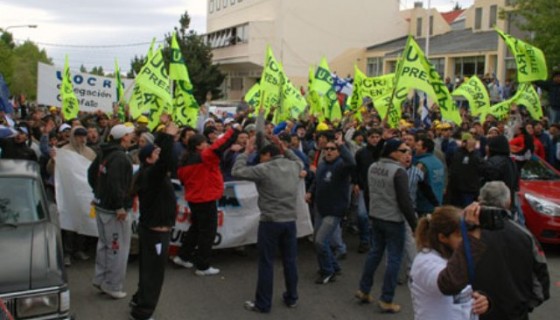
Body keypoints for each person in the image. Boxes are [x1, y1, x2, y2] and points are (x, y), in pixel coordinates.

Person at [438, 182, 550, 320]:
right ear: (508, 203)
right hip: (515, 312)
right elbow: (540, 278)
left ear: (479, 200)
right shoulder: (525, 235)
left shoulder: (465, 234)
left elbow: (449, 272)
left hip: (474, 311)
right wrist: (526, 305)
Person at [232, 137, 304, 313]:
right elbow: (299, 161)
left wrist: (246, 152)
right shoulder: (293, 166)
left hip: (270, 221)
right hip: (289, 221)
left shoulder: (263, 169)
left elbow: (236, 171)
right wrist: (284, 148)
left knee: (266, 262)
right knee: (290, 261)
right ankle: (292, 297)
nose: (259, 158)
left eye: (261, 155)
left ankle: (263, 303)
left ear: (268, 155)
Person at [356, 138, 417, 313]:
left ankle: (364, 289)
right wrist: (414, 224)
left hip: (376, 216)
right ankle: (386, 298)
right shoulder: (399, 172)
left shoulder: (373, 167)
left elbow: (368, 193)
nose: (407, 154)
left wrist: (370, 212)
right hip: (393, 219)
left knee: (375, 253)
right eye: (403, 151)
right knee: (394, 258)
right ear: (393, 152)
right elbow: (405, 202)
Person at [174, 126, 240, 276]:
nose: (208, 144)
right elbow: (220, 145)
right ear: (198, 146)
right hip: (206, 198)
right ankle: (202, 266)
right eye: (205, 143)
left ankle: (183, 256)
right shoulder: (205, 156)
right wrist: (234, 131)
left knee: (196, 228)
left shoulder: (184, 161)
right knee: (208, 232)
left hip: (195, 199)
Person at [129, 123, 178, 320]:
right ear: (150, 159)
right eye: (155, 153)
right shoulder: (152, 175)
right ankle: (143, 312)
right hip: (156, 232)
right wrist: (168, 137)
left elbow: (166, 160)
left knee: (147, 269)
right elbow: (166, 162)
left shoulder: (148, 173)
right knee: (154, 274)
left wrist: (164, 139)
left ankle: (139, 300)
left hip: (154, 230)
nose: (159, 155)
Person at [410, 206, 489, 319]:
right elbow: (449, 283)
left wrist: (482, 300)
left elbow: (464, 287)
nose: (465, 239)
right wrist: (472, 240)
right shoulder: (424, 262)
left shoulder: (455, 256)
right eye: (461, 235)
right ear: (442, 237)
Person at [87, 124, 135, 299]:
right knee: (117, 248)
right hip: (114, 212)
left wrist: (98, 193)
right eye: (130, 135)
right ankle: (112, 285)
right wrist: (119, 206)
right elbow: (116, 185)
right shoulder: (121, 158)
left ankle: (100, 279)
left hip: (102, 207)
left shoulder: (103, 152)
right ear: (123, 138)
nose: (132, 138)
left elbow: (91, 174)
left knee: (105, 245)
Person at [306, 137, 355, 284]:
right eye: (326, 149)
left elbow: (352, 163)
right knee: (318, 240)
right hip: (320, 208)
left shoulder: (341, 166)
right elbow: (316, 181)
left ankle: (328, 272)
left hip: (335, 210)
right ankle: (333, 265)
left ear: (339, 151)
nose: (328, 151)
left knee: (321, 241)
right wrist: (310, 192)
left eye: (332, 149)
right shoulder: (322, 165)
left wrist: (341, 146)